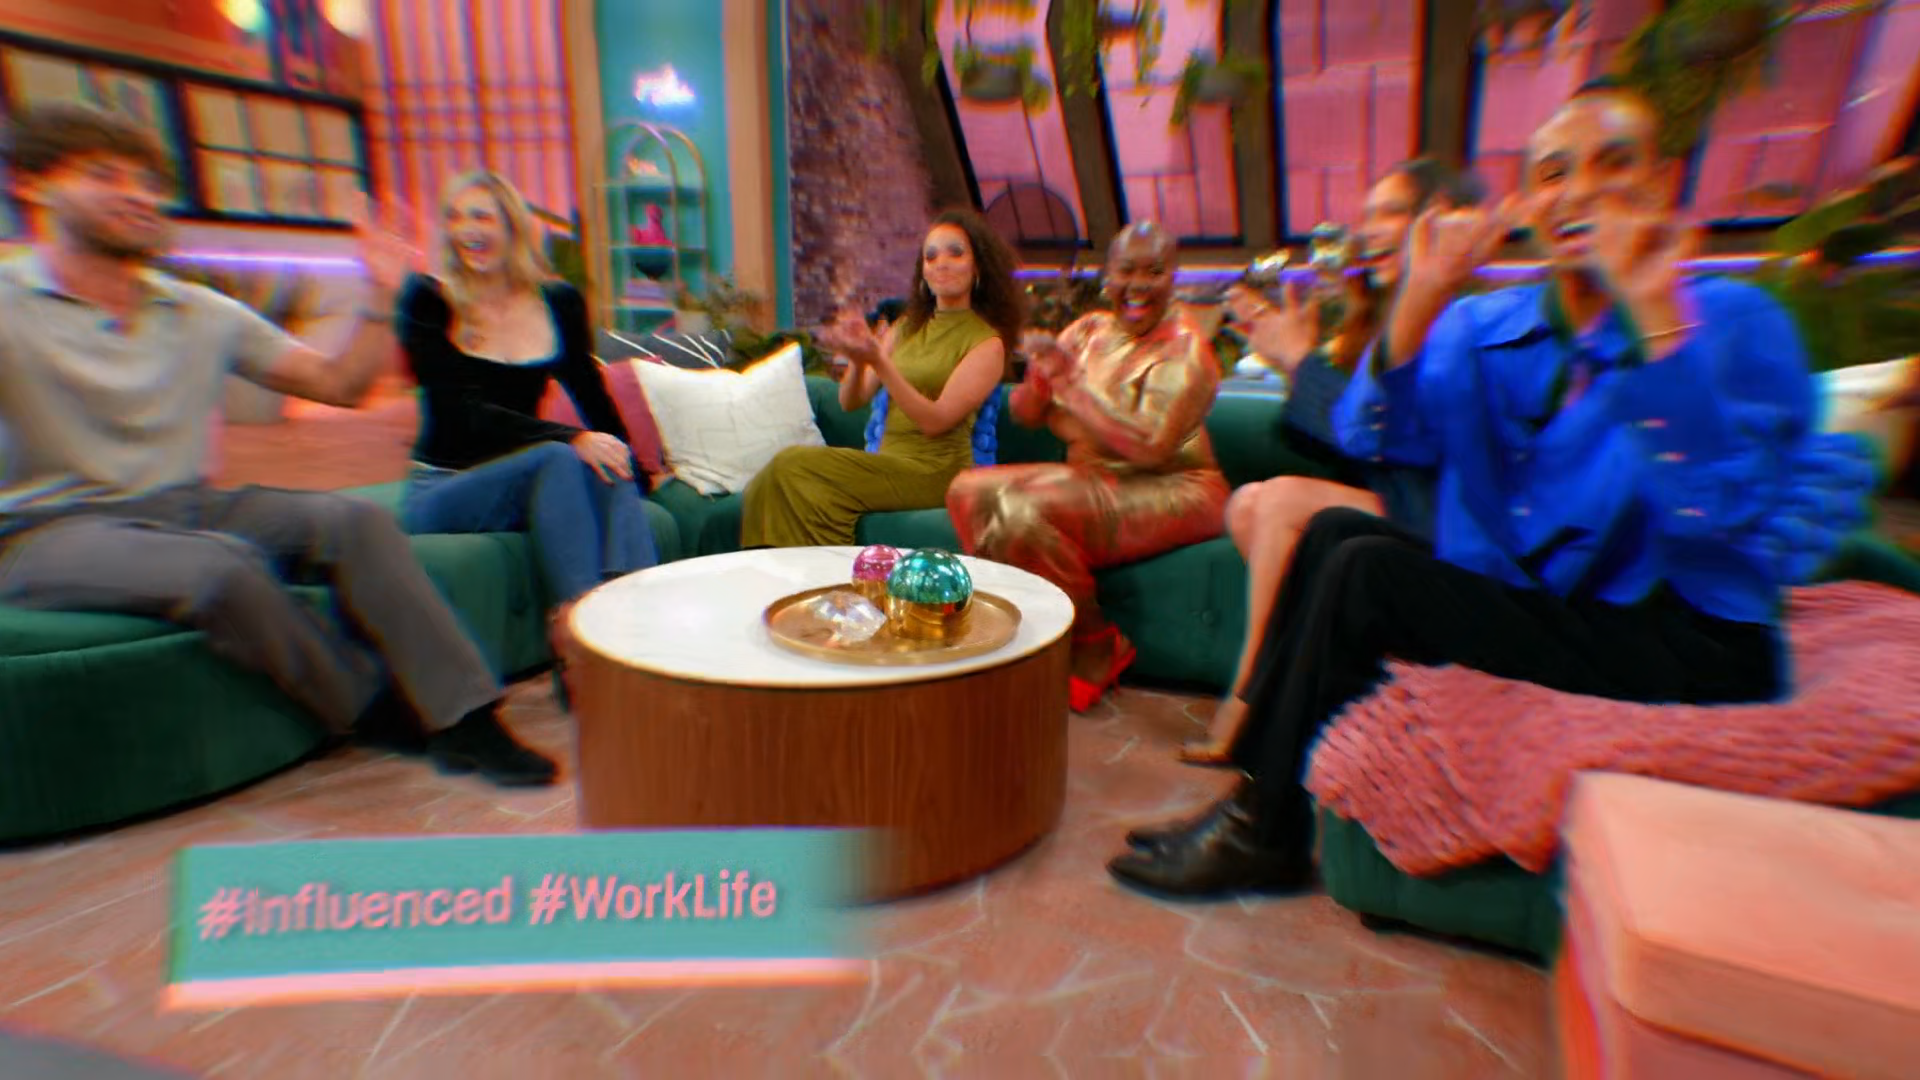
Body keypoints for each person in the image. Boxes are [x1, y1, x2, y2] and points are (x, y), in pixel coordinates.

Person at [1107, 79, 1878, 897]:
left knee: (1367, 570)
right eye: (1554, 173)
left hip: (1686, 635)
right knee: (1333, 533)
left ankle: (1262, 833)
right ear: (1528, 205)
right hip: (1547, 596)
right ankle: (1255, 806)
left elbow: (1725, 524)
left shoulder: (1735, 321)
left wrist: (1654, 316)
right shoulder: (1489, 323)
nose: (1581, 191)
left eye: (1614, 163)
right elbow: (1373, 438)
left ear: (1661, 183)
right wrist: (1419, 301)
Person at [0, 102, 556, 787]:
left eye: (145, 181)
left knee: (355, 522)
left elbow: (339, 385)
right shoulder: (9, 303)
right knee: (220, 567)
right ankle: (369, 707)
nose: (136, 195)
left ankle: (467, 718)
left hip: (184, 504)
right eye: (103, 175)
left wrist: (379, 297)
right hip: (47, 531)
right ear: (32, 183)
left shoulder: (197, 310)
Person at [1182, 159, 1475, 763]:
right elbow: (1353, 439)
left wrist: (1299, 362)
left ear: (1439, 219)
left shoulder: (1459, 320)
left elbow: (1392, 442)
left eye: (1391, 212)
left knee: (1281, 500)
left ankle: (1251, 700)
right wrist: (1301, 358)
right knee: (1248, 505)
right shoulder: (1380, 319)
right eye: (1367, 215)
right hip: (1404, 504)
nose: (1369, 230)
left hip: (1449, 520)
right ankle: (1318, 687)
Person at [947, 222, 1230, 712]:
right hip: (1097, 476)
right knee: (965, 490)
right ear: (1107, 275)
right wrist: (1042, 379)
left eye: (1154, 272)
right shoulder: (1087, 331)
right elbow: (1025, 413)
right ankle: (1022, 634)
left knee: (1017, 512)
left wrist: (1073, 390)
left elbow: (1149, 448)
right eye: (1126, 270)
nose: (1138, 285)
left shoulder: (1187, 349)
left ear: (1173, 278)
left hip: (1174, 484)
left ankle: (1095, 646)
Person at [395, 170, 655, 666]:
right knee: (559, 456)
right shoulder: (430, 300)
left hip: (528, 479)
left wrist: (636, 468)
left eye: (481, 217)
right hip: (445, 487)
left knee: (609, 459)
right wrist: (574, 437)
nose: (466, 230)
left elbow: (591, 394)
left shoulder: (557, 302)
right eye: (455, 217)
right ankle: (579, 639)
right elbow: (462, 413)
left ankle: (641, 631)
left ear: (513, 227)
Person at [739, 210, 1021, 547]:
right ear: (923, 273)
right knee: (773, 476)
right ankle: (778, 571)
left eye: (956, 253)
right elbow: (850, 400)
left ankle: (825, 571)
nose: (941, 263)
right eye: (930, 257)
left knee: (793, 466)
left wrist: (880, 362)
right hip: (890, 463)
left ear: (978, 268)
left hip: (936, 473)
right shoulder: (905, 327)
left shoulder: (987, 344)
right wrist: (859, 359)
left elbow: (935, 421)